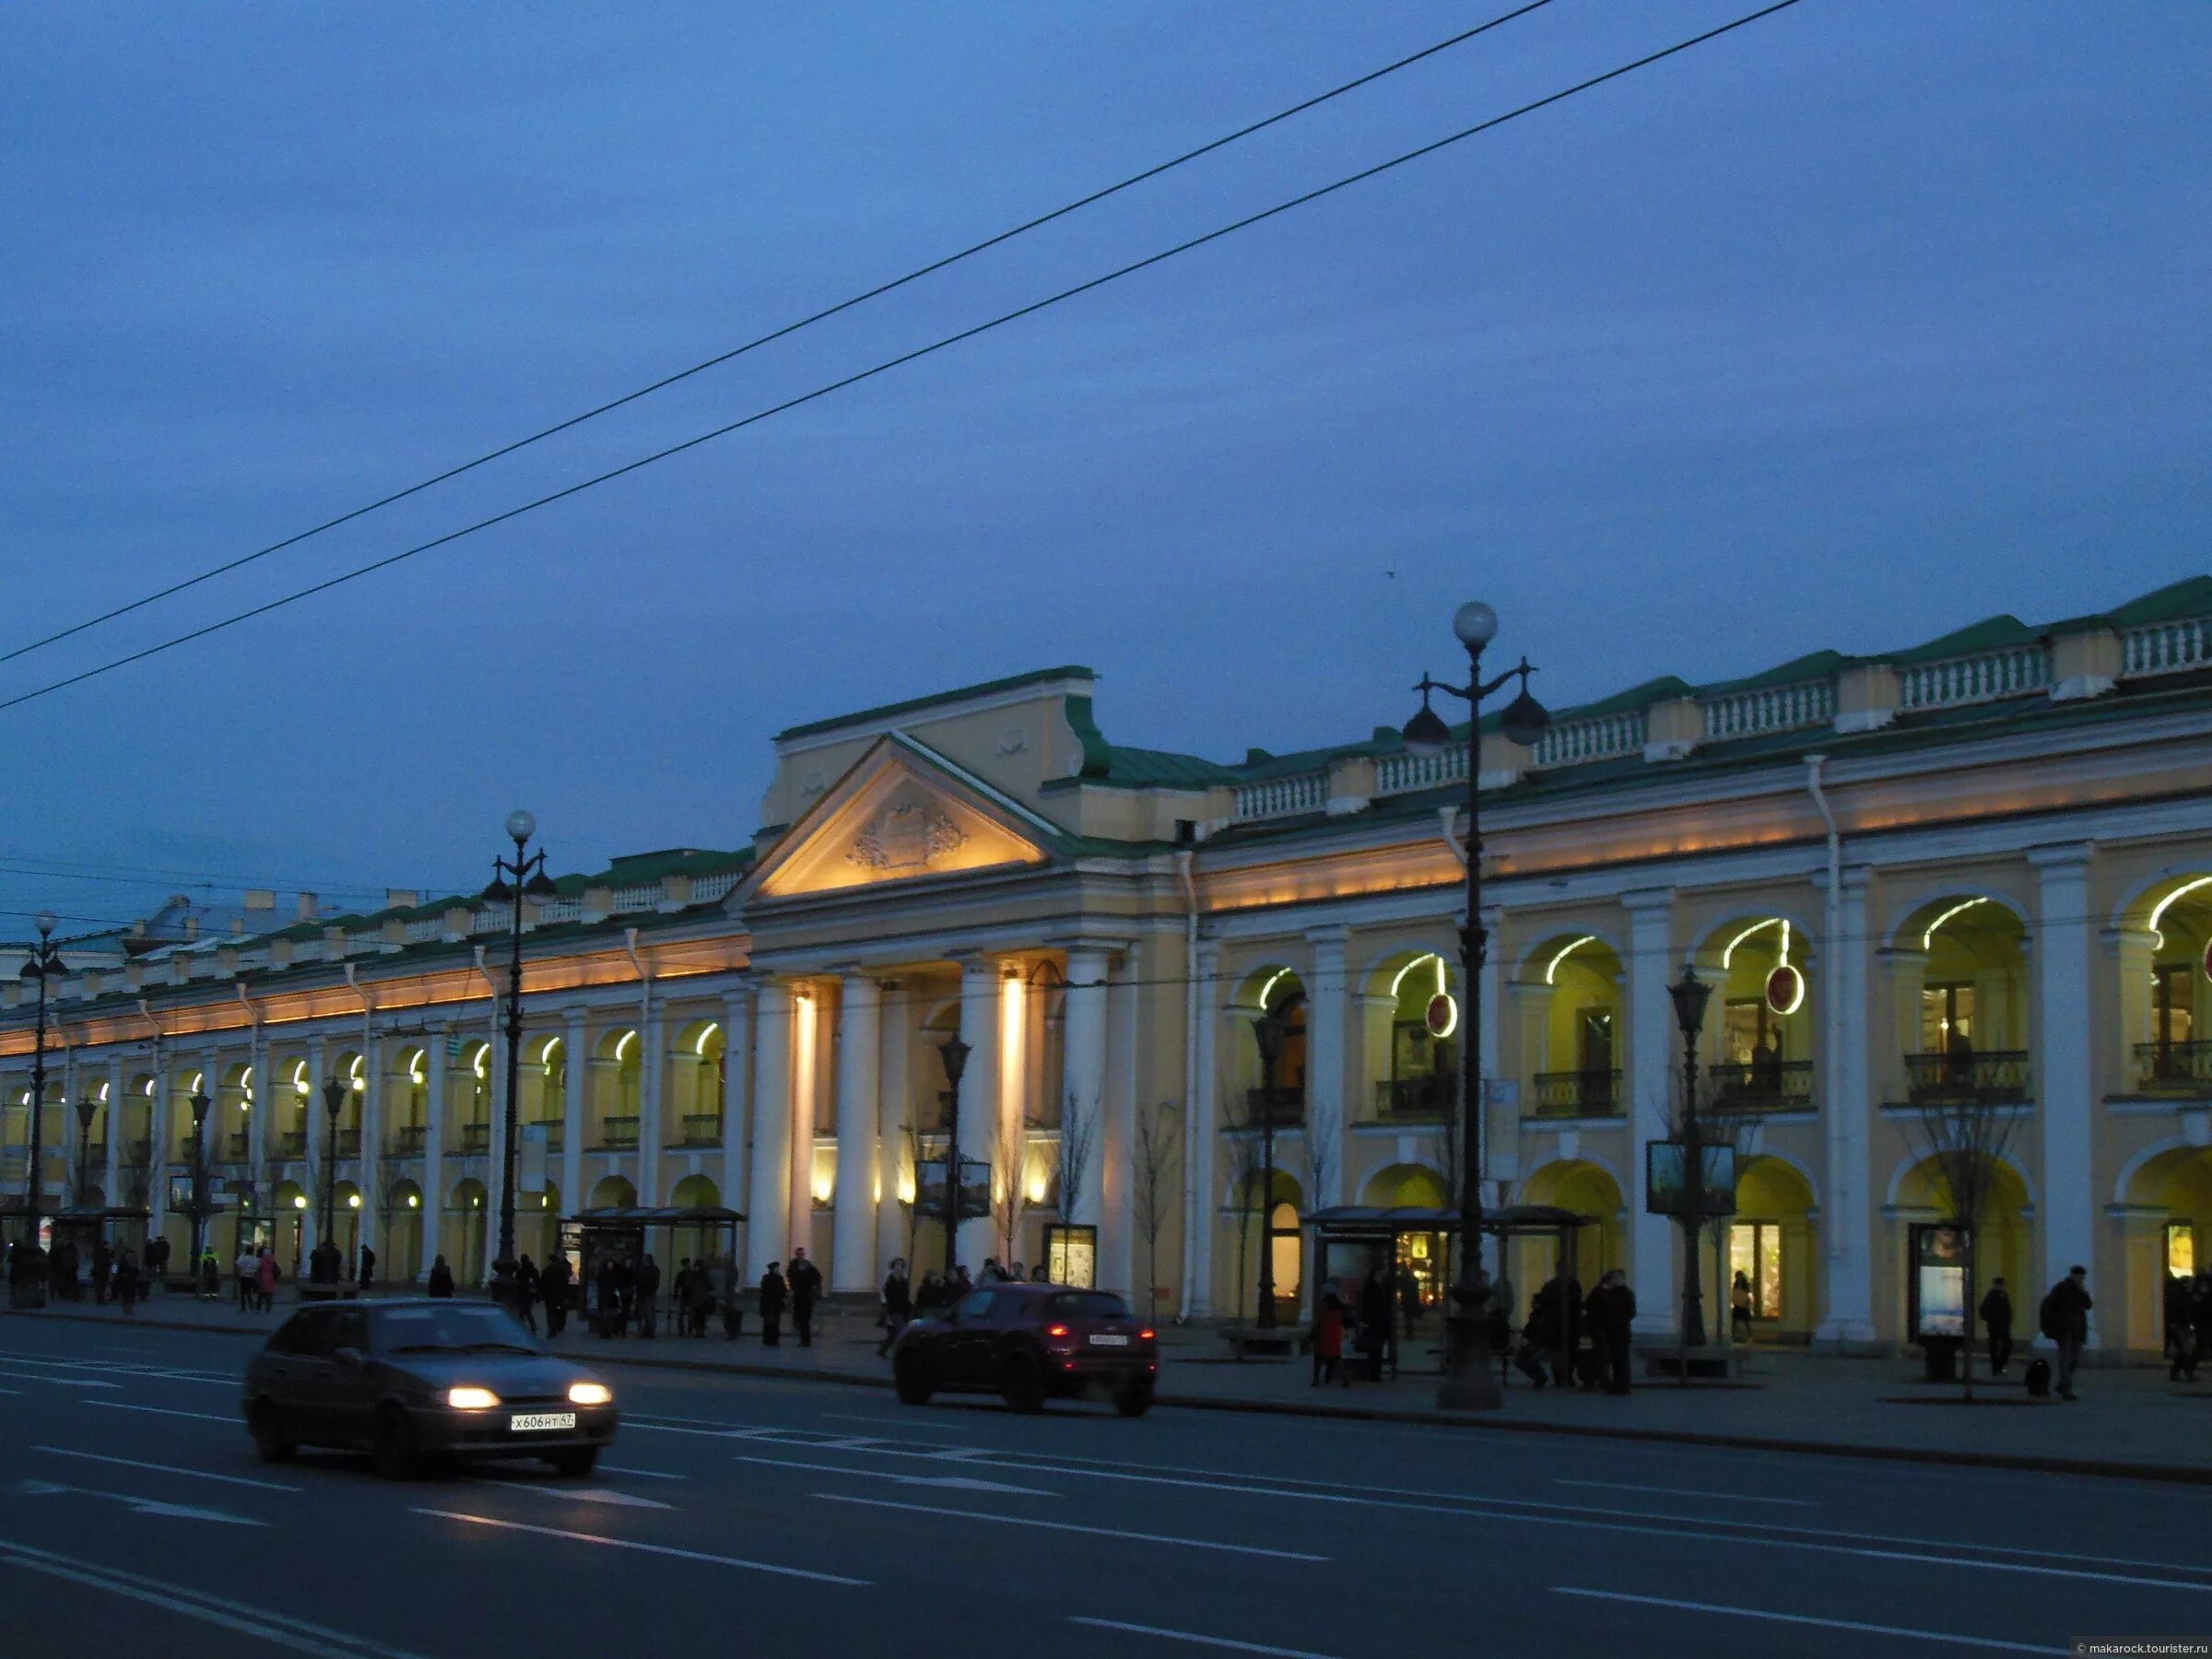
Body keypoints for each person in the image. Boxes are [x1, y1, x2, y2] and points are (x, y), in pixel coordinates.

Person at [2040, 1265, 2092, 1401]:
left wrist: (2083, 1291)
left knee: (2074, 1359)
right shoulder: (2061, 1288)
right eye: (2079, 1277)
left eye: (2082, 1278)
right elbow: (2049, 1306)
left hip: (2077, 1330)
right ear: (2073, 1275)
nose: (2081, 1279)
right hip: (2063, 1329)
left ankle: (2063, 1384)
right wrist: (2054, 1325)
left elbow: (2088, 1305)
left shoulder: (2080, 1290)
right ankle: (2066, 1387)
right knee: (2065, 1357)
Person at [1585, 1269, 1637, 1395]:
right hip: (1616, 1329)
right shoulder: (1620, 1293)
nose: (1618, 1280)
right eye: (1616, 1278)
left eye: (1619, 1278)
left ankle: (1621, 1385)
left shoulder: (1622, 1293)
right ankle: (1618, 1384)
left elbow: (1629, 1311)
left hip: (1618, 1329)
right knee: (1617, 1358)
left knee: (1620, 1358)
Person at [1311, 1290, 1349, 1388]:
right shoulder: (1339, 1310)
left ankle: (1316, 1380)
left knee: (1319, 1358)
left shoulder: (1325, 1307)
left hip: (1324, 1336)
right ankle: (1344, 1378)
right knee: (1336, 1358)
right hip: (1335, 1337)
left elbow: (1320, 1319)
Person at [1359, 1265, 1391, 1382]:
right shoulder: (1375, 1288)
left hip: (1374, 1323)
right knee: (1375, 1350)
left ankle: (1374, 1374)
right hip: (1375, 1323)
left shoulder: (1373, 1287)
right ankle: (1374, 1374)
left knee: (1374, 1350)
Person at [2163, 1272, 2197, 1382]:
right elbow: (2176, 1309)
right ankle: (2187, 1374)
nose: (2192, 1284)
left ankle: (2176, 1373)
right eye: (2190, 1282)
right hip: (2179, 1325)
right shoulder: (2180, 1294)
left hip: (2182, 1324)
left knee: (2183, 1350)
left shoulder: (2183, 1293)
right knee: (2184, 1350)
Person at [787, 1247, 822, 1347]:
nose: (800, 1256)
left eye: (802, 1254)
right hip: (799, 1296)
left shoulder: (809, 1266)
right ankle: (802, 1335)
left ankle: (805, 1339)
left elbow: (817, 1278)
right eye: (799, 1254)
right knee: (800, 1317)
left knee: (804, 1319)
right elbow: (790, 1277)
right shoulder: (793, 1265)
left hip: (806, 1297)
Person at [1981, 1277, 2015, 1376]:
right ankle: (1997, 1367)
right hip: (1995, 1326)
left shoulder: (2004, 1295)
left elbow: (2008, 1310)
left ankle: (1998, 1366)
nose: (2002, 1286)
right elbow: (1984, 1310)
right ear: (1996, 1285)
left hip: (2002, 1326)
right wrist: (1991, 1319)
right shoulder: (1991, 1296)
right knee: (1997, 1347)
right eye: (2000, 1284)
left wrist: (2008, 1321)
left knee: (2004, 1346)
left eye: (2002, 1284)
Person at [877, 1258, 912, 1357]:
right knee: (902, 1331)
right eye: (897, 1265)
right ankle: (900, 1353)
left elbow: (906, 1296)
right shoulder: (890, 1280)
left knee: (895, 1332)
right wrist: (885, 1305)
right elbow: (886, 1294)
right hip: (893, 1309)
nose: (899, 1267)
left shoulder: (904, 1281)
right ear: (893, 1267)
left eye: (901, 1265)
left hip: (903, 1309)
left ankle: (882, 1350)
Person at [542, 1251, 573, 1338]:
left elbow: (543, 1283)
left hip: (550, 1295)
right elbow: (565, 1283)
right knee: (559, 1311)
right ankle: (559, 1326)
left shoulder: (547, 1270)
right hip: (559, 1295)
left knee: (551, 1313)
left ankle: (552, 1330)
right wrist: (566, 1295)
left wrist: (542, 1295)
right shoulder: (561, 1270)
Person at [759, 1262, 788, 1347]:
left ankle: (774, 1339)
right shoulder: (767, 1278)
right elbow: (764, 1290)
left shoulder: (779, 1278)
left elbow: (783, 1289)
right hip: (769, 1303)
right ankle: (768, 1339)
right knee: (769, 1321)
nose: (778, 1269)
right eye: (776, 1268)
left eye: (778, 1268)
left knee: (775, 1322)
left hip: (776, 1303)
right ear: (772, 1269)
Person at [636, 1253, 662, 1339]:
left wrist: (652, 1288)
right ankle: (644, 1330)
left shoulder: (653, 1269)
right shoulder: (643, 1268)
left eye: (644, 1259)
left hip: (649, 1293)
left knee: (649, 1312)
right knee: (643, 1313)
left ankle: (650, 1330)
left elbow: (655, 1281)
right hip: (642, 1293)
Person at [514, 1254, 541, 1335]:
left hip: (522, 1292)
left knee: (522, 1310)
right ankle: (532, 1325)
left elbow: (517, 1281)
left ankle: (522, 1326)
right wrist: (537, 1295)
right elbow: (538, 1282)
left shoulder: (521, 1270)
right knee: (527, 1310)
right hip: (530, 1292)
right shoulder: (533, 1270)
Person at [113, 1247, 140, 1316]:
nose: (129, 1257)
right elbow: (116, 1271)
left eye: (131, 1255)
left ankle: (129, 1310)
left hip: (131, 1282)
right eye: (128, 1255)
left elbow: (136, 1272)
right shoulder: (121, 1262)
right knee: (126, 1297)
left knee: (130, 1297)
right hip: (124, 1282)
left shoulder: (133, 1263)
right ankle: (127, 1311)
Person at [1730, 1269, 1754, 1343]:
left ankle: (1750, 1337)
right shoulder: (1736, 1284)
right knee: (1734, 1323)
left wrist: (1746, 1302)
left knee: (1747, 1323)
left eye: (1740, 1276)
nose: (1739, 1278)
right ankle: (1733, 1336)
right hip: (1737, 1306)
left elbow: (1747, 1294)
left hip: (1744, 1306)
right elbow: (1735, 1294)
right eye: (1738, 1276)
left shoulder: (1745, 1285)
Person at [255, 1246, 279, 1312]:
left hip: (262, 1278)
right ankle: (268, 1307)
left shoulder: (260, 1261)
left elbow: (257, 1270)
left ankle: (258, 1307)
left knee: (261, 1293)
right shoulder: (272, 1262)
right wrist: (275, 1277)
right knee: (270, 1293)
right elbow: (278, 1271)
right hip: (271, 1278)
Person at [234, 1244, 257, 1312]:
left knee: (242, 1292)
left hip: (243, 1276)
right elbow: (256, 1266)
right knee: (248, 1291)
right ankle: (251, 1304)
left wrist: (239, 1272)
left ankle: (243, 1307)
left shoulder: (242, 1257)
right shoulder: (254, 1258)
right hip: (251, 1276)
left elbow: (238, 1264)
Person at [91, 1238, 112, 1305]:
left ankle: (100, 1299)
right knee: (101, 1286)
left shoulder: (101, 1251)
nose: (109, 1246)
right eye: (108, 1245)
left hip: (101, 1271)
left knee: (101, 1286)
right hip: (101, 1271)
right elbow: (107, 1261)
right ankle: (100, 1299)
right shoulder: (104, 1252)